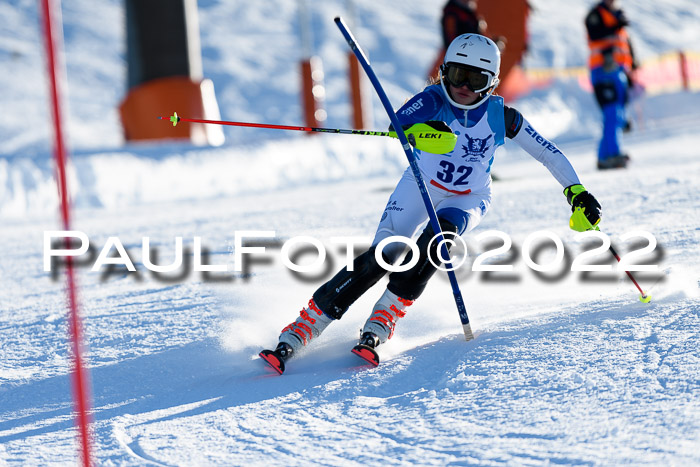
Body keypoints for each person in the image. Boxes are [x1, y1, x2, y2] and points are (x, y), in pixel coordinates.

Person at [260, 34, 602, 374]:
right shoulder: (433, 99)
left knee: (439, 240)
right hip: (419, 185)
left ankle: (384, 317)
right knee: (385, 255)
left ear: (492, 83)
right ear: (444, 71)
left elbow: (546, 152)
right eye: (457, 75)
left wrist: (577, 191)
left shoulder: (504, 117)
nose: (464, 87)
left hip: (468, 197)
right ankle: (306, 325)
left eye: (476, 79)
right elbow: (399, 121)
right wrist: (418, 130)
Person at [585, 0, 638, 170]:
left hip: (619, 70)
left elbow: (624, 42)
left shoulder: (618, 15)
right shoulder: (596, 14)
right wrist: (616, 25)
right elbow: (595, 34)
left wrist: (632, 65)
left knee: (618, 114)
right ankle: (610, 155)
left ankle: (606, 155)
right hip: (603, 70)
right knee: (611, 112)